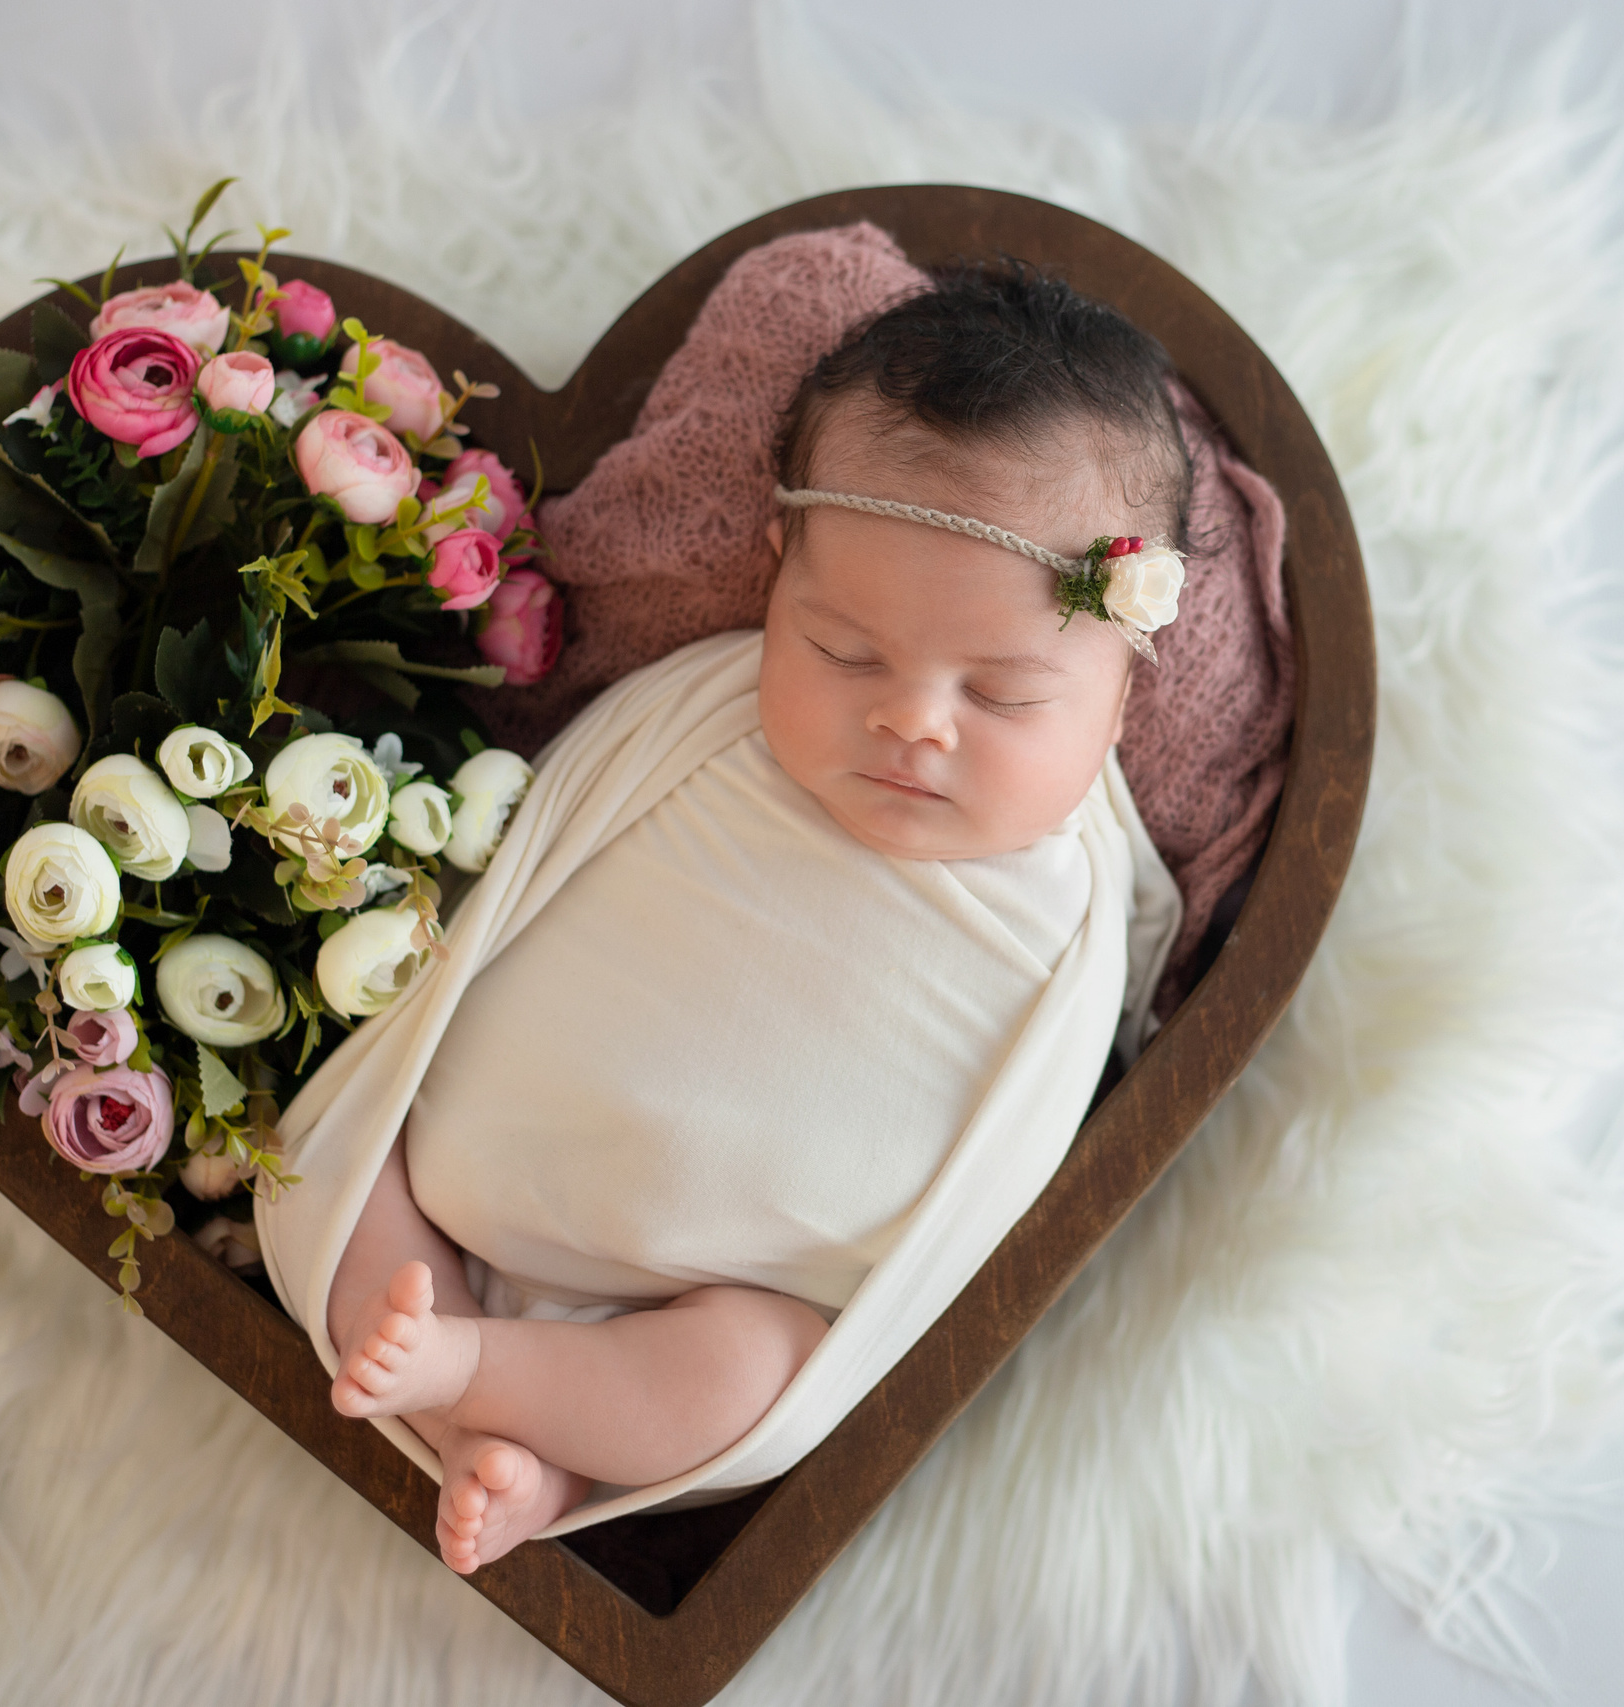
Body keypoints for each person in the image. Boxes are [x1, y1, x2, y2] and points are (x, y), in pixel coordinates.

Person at [298, 262, 1192, 1572]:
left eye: (1003, 697)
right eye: (842, 651)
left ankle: (483, 1382)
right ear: (777, 576)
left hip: (716, 1300)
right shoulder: (700, 716)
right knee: (338, 1149)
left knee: (754, 1373)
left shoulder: (1074, 909)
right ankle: (511, 1435)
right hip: (451, 1194)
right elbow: (528, 859)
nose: (915, 722)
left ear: (1122, 689)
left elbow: (1021, 1149)